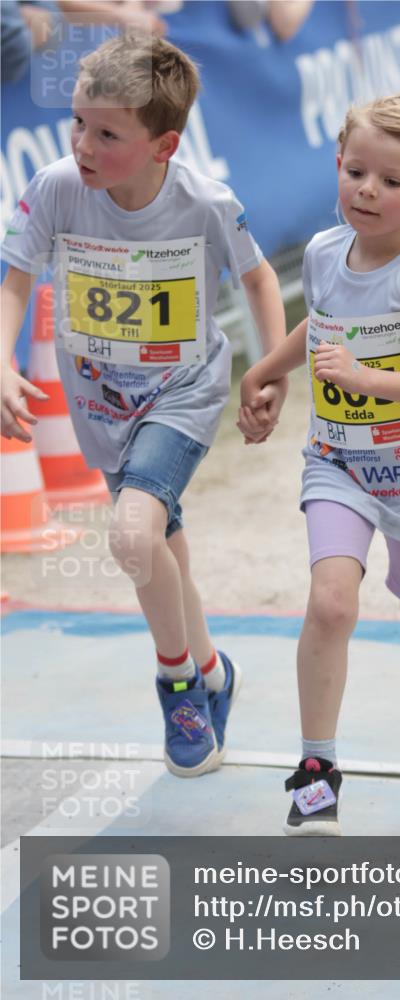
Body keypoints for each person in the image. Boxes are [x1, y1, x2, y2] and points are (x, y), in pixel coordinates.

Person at [1, 33, 286, 778]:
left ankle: (180, 687)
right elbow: (14, 277)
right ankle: (216, 669)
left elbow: (258, 281)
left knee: (131, 536)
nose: (82, 145)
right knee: (159, 549)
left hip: (183, 392)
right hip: (102, 405)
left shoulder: (205, 202)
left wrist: (269, 369)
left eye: (106, 134)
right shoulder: (58, 185)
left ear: (165, 144)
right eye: (77, 125)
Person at [239, 92, 400, 835]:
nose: (367, 191)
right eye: (355, 172)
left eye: (390, 181)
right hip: (338, 464)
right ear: (338, 167)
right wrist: (267, 373)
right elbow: (322, 324)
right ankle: (317, 772)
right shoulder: (322, 252)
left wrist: (368, 380)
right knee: (331, 604)